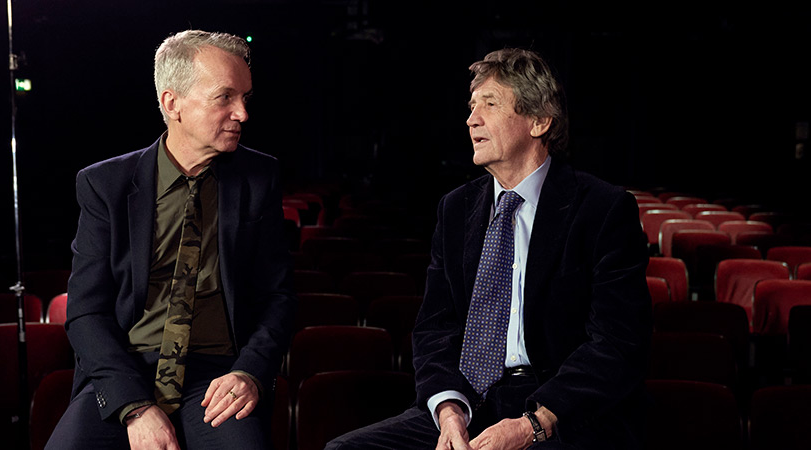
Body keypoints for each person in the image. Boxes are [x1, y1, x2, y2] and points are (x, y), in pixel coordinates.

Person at [326, 48, 651, 449]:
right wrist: (449, 412)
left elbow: (618, 344)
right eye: (471, 106)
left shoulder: (603, 209)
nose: (471, 119)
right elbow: (434, 328)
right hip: (469, 403)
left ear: (539, 121)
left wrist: (533, 423)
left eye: (489, 104)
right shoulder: (456, 208)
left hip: (561, 411)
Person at [46, 30, 295, 450]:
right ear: (172, 103)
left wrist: (249, 372)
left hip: (218, 375)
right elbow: (86, 313)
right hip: (126, 369)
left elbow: (279, 298)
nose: (242, 114)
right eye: (225, 97)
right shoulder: (104, 184)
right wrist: (135, 407)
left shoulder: (260, 178)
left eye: (246, 98)